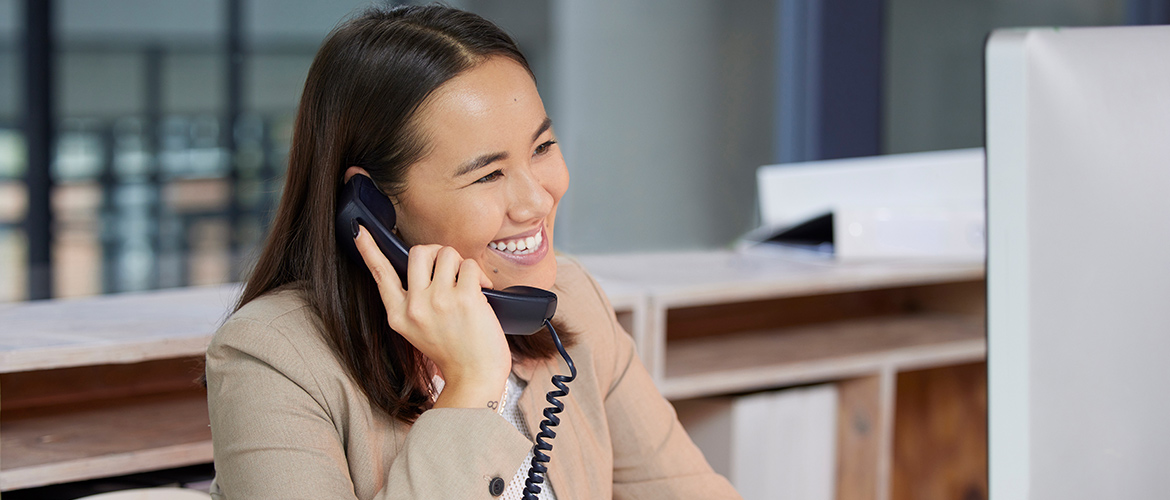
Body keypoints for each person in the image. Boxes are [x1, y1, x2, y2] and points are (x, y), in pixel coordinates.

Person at [204, 5, 740, 499]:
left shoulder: (570, 300)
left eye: (543, 147)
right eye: (488, 174)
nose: (536, 199)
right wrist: (471, 387)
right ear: (372, 205)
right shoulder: (274, 359)